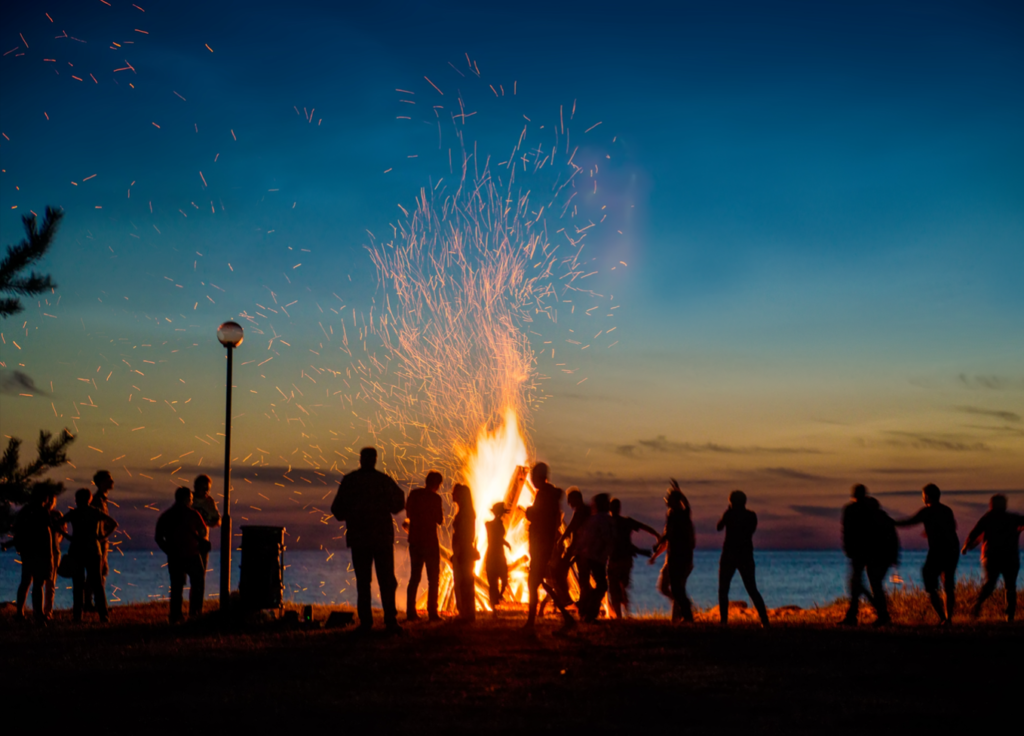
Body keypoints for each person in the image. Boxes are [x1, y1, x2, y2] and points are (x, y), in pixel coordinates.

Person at [330, 447, 405, 632]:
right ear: (375, 460)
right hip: (381, 538)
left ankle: (366, 622)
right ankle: (390, 620)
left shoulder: (351, 481)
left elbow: (336, 509)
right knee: (386, 580)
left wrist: (353, 514)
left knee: (363, 581)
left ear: (361, 459)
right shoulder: (383, 481)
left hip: (360, 539)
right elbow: (400, 502)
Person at [895, 483, 959, 625]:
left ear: (927, 497)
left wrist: (892, 522)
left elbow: (909, 522)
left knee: (929, 582)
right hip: (953, 549)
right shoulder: (947, 510)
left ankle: (943, 617)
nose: (922, 499)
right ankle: (948, 619)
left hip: (938, 550)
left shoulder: (927, 511)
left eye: (923, 496)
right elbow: (952, 527)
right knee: (948, 584)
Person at [840, 484, 897, 626]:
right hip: (873, 551)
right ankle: (878, 614)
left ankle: (867, 615)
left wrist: (848, 548)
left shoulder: (851, 510)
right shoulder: (874, 511)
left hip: (861, 551)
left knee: (859, 584)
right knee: (869, 584)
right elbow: (889, 533)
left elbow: (847, 531)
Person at [962, 494, 1024, 622]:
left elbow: (974, 533)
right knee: (1010, 586)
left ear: (991, 505)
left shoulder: (988, 518)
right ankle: (1009, 615)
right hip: (1009, 556)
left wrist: (966, 546)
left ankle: (978, 604)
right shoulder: (1012, 518)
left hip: (991, 556)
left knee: (991, 583)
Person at [61, 487, 117, 623]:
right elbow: (113, 523)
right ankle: (104, 615)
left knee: (77, 585)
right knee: (98, 584)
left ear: (76, 500)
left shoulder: (74, 513)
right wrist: (103, 537)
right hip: (93, 550)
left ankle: (77, 616)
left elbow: (57, 523)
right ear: (90, 499)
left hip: (76, 550)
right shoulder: (94, 512)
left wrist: (66, 536)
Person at [155, 486, 210, 623]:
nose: (191, 502)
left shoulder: (167, 515)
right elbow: (203, 532)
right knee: (198, 584)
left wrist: (167, 549)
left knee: (176, 586)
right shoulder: (193, 514)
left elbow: (158, 537)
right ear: (186, 499)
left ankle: (175, 615)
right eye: (191, 499)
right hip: (193, 553)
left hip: (174, 555)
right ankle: (195, 613)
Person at [716, 490, 769, 627]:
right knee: (752, 588)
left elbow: (719, 527)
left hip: (729, 554)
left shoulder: (730, 515)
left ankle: (723, 621)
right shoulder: (751, 516)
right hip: (745, 554)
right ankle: (764, 620)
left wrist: (727, 514)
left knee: (723, 589)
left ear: (732, 502)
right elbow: (750, 531)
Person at [11, 489, 61, 622]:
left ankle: (20, 612)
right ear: (44, 499)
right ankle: (38, 613)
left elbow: (16, 528)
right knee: (38, 583)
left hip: (27, 552)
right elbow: (49, 530)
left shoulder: (25, 511)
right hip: (41, 552)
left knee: (26, 581)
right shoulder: (42, 512)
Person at [650, 481, 696, 623]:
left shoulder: (677, 515)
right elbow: (687, 505)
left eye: (668, 499)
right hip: (679, 556)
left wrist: (658, 543)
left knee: (677, 588)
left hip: (679, 557)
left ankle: (686, 614)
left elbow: (669, 534)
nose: (666, 501)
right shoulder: (678, 514)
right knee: (675, 588)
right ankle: (685, 614)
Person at [524, 462, 563, 628]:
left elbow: (537, 516)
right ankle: (565, 614)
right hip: (545, 544)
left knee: (534, 582)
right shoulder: (551, 495)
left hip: (541, 544)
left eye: (533, 476)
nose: (532, 480)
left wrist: (528, 512)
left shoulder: (543, 495)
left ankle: (531, 620)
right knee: (540, 581)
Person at [609, 497, 659, 619]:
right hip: (622, 559)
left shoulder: (612, 522)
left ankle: (620, 614)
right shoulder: (618, 522)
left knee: (617, 586)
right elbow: (644, 527)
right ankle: (621, 614)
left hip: (617, 559)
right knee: (619, 586)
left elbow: (643, 527)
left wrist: (657, 536)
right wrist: (657, 536)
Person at [404, 470, 444, 622]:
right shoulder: (435, 499)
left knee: (414, 577)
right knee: (433, 578)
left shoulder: (414, 494)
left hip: (415, 541)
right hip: (430, 542)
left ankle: (410, 612)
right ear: (437, 484)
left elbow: (409, 514)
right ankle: (432, 613)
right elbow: (439, 520)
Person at [544, 487, 590, 615]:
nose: (569, 504)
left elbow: (571, 527)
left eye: (570, 500)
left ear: (577, 499)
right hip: (579, 548)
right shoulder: (583, 510)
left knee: (570, 574)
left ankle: (577, 602)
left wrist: (562, 540)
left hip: (581, 549)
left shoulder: (582, 511)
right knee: (578, 576)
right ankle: (576, 601)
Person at [575, 493, 615, 622]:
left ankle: (587, 610)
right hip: (595, 557)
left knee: (598, 585)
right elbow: (605, 538)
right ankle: (588, 611)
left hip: (590, 556)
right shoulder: (603, 519)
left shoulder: (593, 519)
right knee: (602, 586)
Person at [85, 470, 115, 611]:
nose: (112, 481)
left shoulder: (102, 499)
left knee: (101, 572)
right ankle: (90, 603)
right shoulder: (97, 500)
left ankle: (93, 602)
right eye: (109, 479)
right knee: (96, 573)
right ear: (101, 482)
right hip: (98, 542)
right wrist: (101, 537)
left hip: (102, 541)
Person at [451, 483, 478, 622]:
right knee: (465, 582)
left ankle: (466, 614)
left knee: (464, 582)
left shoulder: (465, 514)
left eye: (454, 492)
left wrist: (460, 552)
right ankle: (466, 613)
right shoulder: (466, 512)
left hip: (463, 551)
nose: (451, 495)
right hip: (462, 550)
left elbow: (465, 534)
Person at [485, 502, 511, 613]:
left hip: (495, 554)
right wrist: (505, 543)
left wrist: (505, 543)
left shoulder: (492, 524)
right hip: (496, 554)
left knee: (498, 580)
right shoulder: (491, 525)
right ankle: (495, 603)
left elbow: (497, 537)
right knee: (497, 580)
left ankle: (497, 598)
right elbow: (496, 538)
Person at [191, 474, 220, 573]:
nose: (206, 492)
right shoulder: (189, 499)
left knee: (200, 575)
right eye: (203, 488)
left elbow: (217, 520)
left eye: (208, 489)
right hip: (187, 542)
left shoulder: (209, 502)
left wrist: (207, 523)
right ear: (196, 487)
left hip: (202, 543)